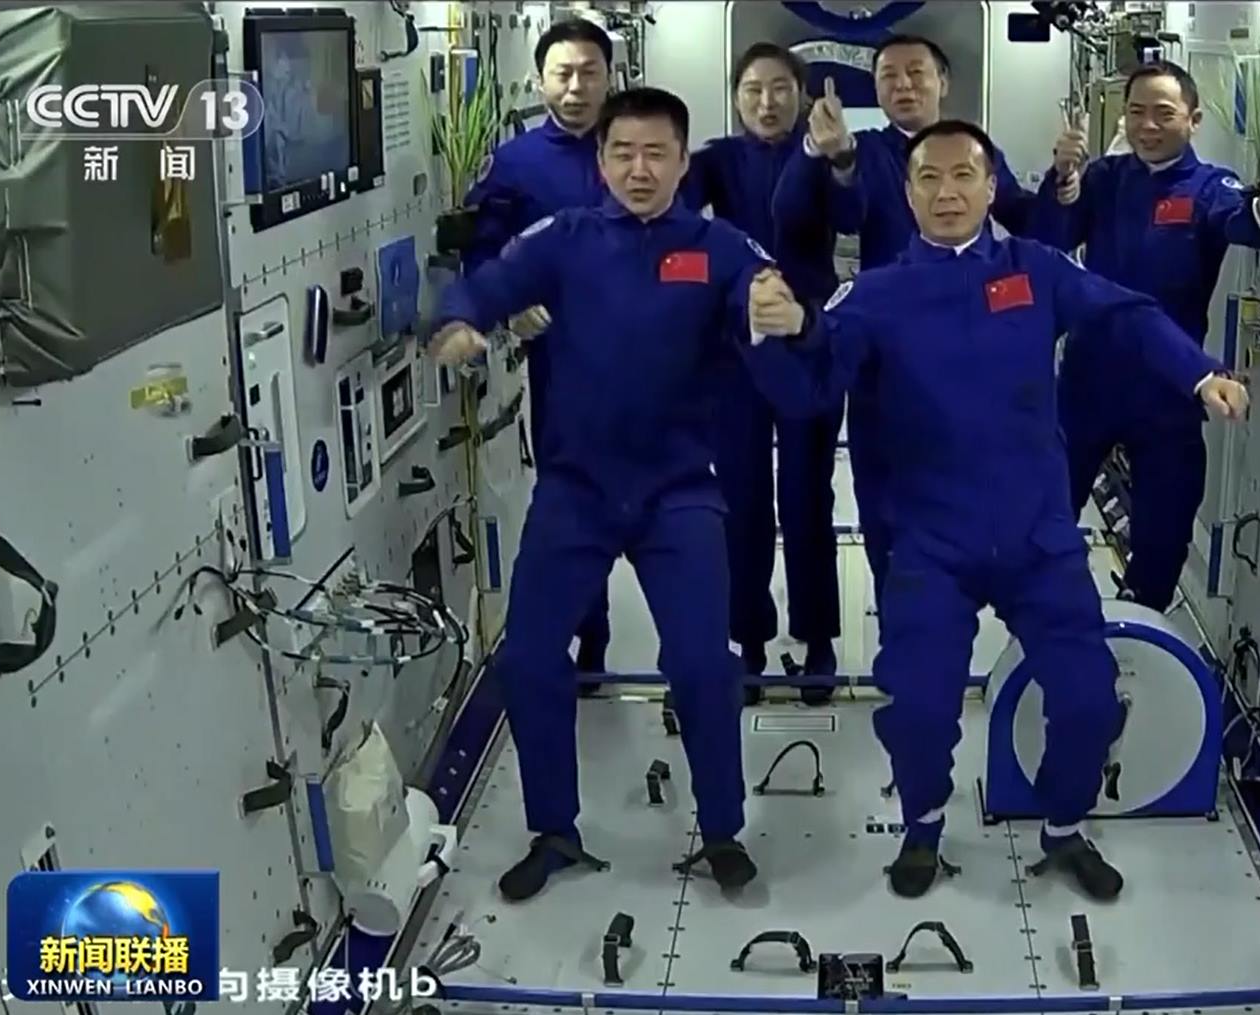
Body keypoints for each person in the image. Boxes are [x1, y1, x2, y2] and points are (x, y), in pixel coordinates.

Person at [742, 121, 1251, 901]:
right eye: (928, 178)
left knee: (1087, 698)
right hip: (927, 540)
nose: (946, 192)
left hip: (1035, 534)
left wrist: (1198, 373)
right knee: (917, 706)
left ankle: (1063, 826)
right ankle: (922, 825)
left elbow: (1128, 315)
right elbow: (810, 388)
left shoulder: (1035, 270)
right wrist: (776, 335)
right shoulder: (875, 295)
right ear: (907, 193)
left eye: (963, 176)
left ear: (989, 187)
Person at [430, 87, 780, 901]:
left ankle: (721, 828)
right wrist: (458, 321)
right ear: (601, 161)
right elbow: (485, 284)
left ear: (682, 161)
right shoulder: (565, 239)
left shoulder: (717, 246)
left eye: (656, 153)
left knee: (702, 663)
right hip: (577, 490)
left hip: (677, 492)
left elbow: (761, 291)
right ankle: (553, 829)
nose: (639, 169)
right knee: (526, 658)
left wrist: (774, 306)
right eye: (622, 153)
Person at [773, 33, 1036, 599]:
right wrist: (831, 155)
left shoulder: (975, 150)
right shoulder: (864, 151)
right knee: (884, 493)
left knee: (962, 481)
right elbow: (835, 215)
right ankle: (898, 610)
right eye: (888, 76)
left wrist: (1066, 184)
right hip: (884, 348)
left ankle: (954, 601)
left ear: (944, 82)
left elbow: (1029, 221)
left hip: (964, 344)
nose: (903, 85)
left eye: (916, 73)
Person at [1032, 62, 1260, 612]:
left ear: (1193, 120)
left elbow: (1241, 220)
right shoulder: (1104, 178)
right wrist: (1061, 180)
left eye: (1163, 113)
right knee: (1043, 513)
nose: (1147, 125)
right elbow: (1051, 236)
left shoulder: (1208, 187)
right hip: (1088, 380)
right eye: (1136, 112)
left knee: (1165, 528)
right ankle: (1039, 624)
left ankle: (1140, 627)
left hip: (1170, 387)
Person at [682, 43, 841, 702]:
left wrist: (836, 156)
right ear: (736, 97)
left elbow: (850, 213)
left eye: (780, 88)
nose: (767, 102)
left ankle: (817, 637)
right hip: (736, 353)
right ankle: (745, 637)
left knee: (807, 499)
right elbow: (670, 209)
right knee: (740, 500)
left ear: (801, 96)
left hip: (807, 342)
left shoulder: (826, 156)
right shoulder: (715, 161)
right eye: (753, 89)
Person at [462, 17, 615, 678]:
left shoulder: (636, 147)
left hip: (653, 355)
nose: (576, 87)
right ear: (539, 80)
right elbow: (482, 252)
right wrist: (510, 306)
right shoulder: (516, 164)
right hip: (564, 362)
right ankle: (590, 633)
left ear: (610, 77)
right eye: (563, 74)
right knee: (573, 499)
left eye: (589, 73)